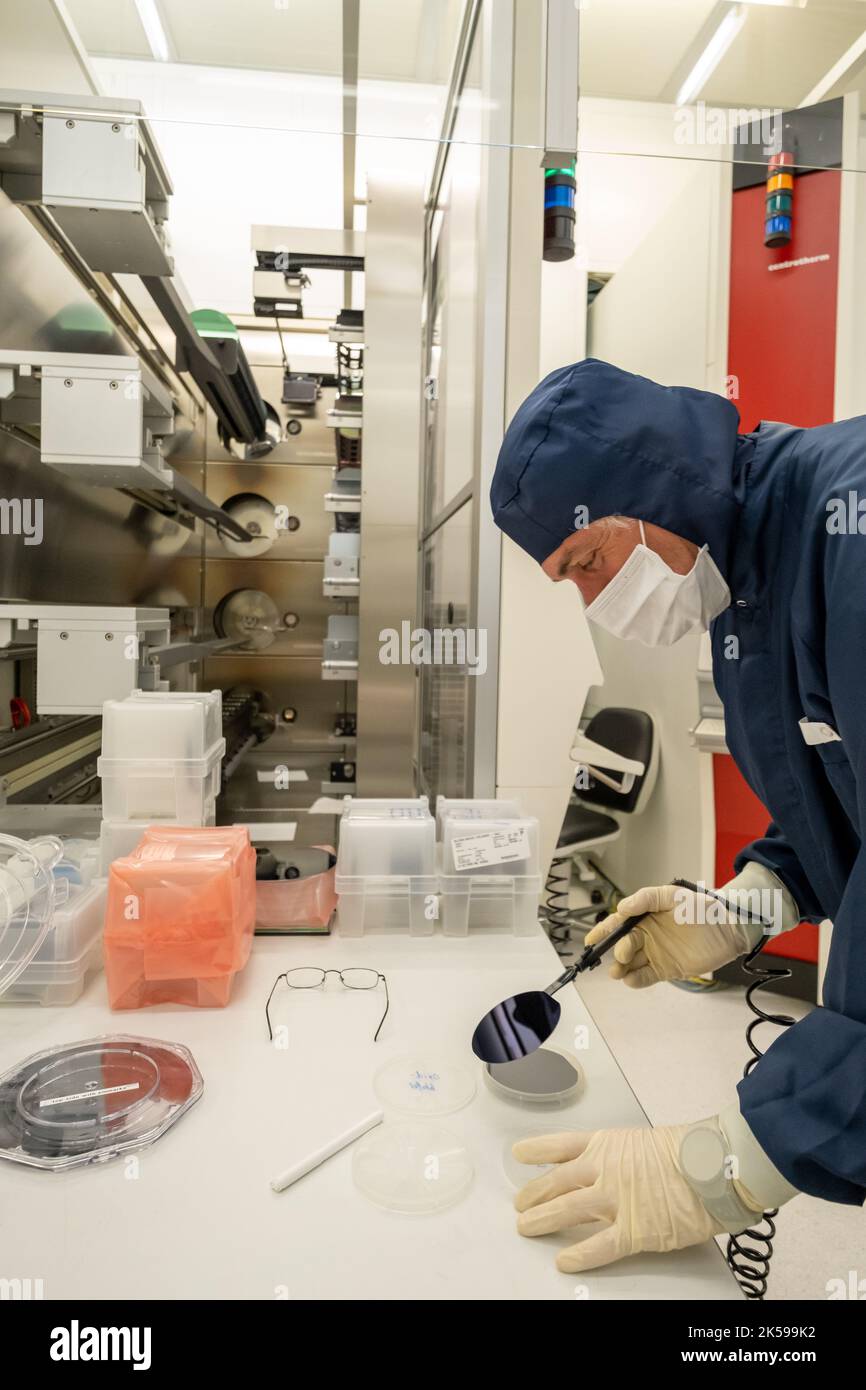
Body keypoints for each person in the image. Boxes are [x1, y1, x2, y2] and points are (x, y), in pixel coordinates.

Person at [490, 357, 866, 1273]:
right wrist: (744, 906)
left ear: (652, 488)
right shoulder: (743, 588)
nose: (591, 601)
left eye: (586, 563)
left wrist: (732, 1164)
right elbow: (833, 801)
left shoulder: (849, 523)